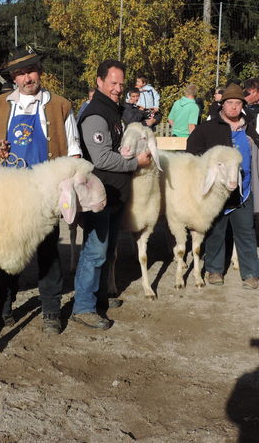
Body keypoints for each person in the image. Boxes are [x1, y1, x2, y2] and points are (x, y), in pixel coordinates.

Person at [0, 45, 82, 335]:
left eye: (31, 71)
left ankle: (51, 310)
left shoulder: (60, 105)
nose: (27, 78)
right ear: (13, 77)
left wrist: (67, 189)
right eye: (20, 73)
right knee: (8, 255)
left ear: (40, 71)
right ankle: (4, 307)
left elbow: (73, 151)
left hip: (45, 194)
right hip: (8, 193)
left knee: (48, 254)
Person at [73, 59, 150, 329]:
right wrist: (135, 163)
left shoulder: (114, 111)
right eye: (112, 82)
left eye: (120, 83)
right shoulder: (96, 114)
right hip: (100, 195)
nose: (118, 88)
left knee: (106, 250)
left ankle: (100, 296)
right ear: (99, 81)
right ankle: (83, 306)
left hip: (115, 193)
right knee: (95, 250)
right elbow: (102, 157)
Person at [187, 83, 259, 290]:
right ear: (222, 105)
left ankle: (250, 272)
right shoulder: (207, 129)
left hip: (244, 189)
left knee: (246, 230)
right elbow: (192, 153)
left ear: (242, 105)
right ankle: (215, 270)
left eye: (237, 103)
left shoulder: (249, 128)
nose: (233, 107)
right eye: (229, 103)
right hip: (217, 192)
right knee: (216, 230)